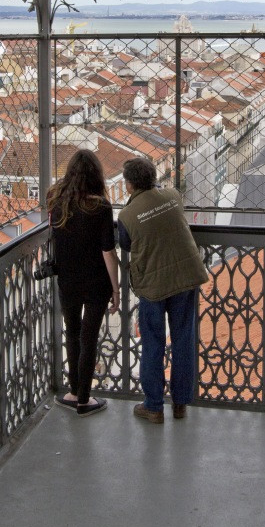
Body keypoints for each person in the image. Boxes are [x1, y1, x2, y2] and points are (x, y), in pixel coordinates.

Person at [116, 157, 209, 424]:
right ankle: (181, 404)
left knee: (153, 343)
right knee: (183, 339)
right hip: (184, 276)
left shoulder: (126, 215)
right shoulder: (173, 195)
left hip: (153, 285)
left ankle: (154, 406)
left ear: (130, 184)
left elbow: (126, 243)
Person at [46, 149, 120, 417]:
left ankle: (74, 392)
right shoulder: (100, 206)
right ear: (96, 175)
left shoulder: (56, 201)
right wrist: (116, 288)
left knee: (72, 333)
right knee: (89, 338)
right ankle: (84, 401)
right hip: (96, 281)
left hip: (68, 280)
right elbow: (108, 252)